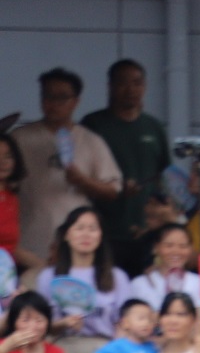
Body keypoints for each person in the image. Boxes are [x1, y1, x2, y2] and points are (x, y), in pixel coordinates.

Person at [12, 69, 124, 281]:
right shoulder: (20, 138)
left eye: (61, 97)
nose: (52, 103)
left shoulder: (91, 141)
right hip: (29, 242)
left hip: (78, 245)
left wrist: (83, 181)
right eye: (47, 96)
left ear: (75, 102)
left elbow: (113, 189)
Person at [79, 59, 170, 269]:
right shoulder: (93, 125)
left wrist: (156, 218)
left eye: (137, 83)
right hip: (103, 231)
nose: (130, 90)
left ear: (145, 87)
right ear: (110, 86)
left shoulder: (154, 127)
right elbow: (80, 179)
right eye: (122, 83)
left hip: (147, 232)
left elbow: (162, 178)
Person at [33, 205, 122, 353]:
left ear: (101, 235)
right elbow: (39, 324)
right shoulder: (48, 277)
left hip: (104, 350)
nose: (86, 235)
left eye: (92, 229)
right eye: (79, 228)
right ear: (66, 235)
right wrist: (63, 323)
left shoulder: (117, 277)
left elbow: (124, 323)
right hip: (61, 347)